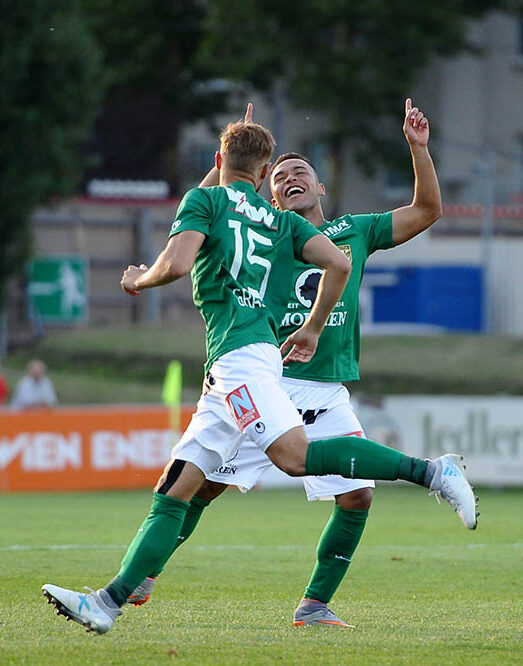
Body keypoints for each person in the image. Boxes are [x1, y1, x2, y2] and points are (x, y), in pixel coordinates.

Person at [42, 117, 477, 636]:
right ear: (265, 179)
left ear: (322, 188)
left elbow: (425, 212)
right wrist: (229, 166)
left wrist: (417, 148)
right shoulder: (273, 229)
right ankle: (119, 592)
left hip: (278, 375)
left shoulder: (345, 230)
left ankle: (410, 496)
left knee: (337, 487)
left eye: (302, 172)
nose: (291, 178)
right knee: (186, 486)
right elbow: (226, 207)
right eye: (280, 173)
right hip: (256, 370)